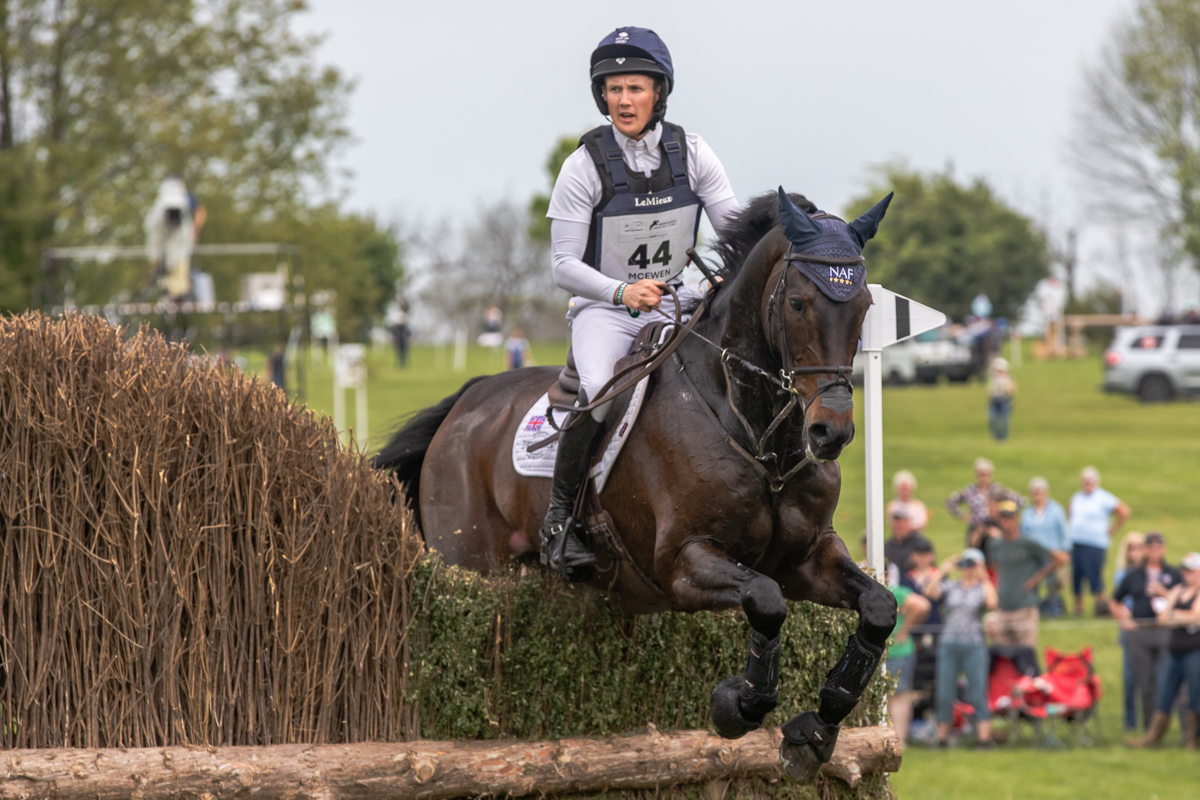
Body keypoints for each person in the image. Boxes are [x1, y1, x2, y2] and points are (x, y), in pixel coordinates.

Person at [540, 27, 739, 580]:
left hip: (678, 299)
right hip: (605, 310)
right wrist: (621, 292)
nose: (623, 100)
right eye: (612, 89)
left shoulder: (693, 152)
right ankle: (560, 521)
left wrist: (721, 276)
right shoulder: (582, 167)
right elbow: (563, 266)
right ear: (600, 95)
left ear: (659, 93)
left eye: (634, 88)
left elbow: (733, 234)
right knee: (603, 393)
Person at [924, 548, 998, 748]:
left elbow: (992, 603)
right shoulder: (952, 586)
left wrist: (984, 576)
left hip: (973, 645)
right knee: (945, 693)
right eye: (966, 565)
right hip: (949, 644)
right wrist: (942, 570)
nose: (969, 569)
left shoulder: (982, 588)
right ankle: (942, 738)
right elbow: (930, 592)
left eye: (972, 565)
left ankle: (984, 738)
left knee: (977, 692)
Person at [1127, 552, 1200, 748]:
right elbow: (1162, 618)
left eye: (1192, 571)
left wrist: (1174, 614)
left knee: (1195, 695)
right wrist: (1180, 616)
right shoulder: (1177, 590)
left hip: (1194, 652)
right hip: (1175, 651)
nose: (1188, 575)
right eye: (1185, 570)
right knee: (1165, 693)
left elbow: (1195, 616)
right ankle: (1153, 738)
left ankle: (1192, 739)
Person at [1111, 530, 1181, 733]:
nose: (1154, 550)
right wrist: (1124, 620)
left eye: (1158, 546)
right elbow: (1114, 600)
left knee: (1165, 679)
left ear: (1164, 548)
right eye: (1150, 546)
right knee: (1145, 682)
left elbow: (1184, 600)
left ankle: (1166, 726)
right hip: (1140, 631)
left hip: (1165, 631)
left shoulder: (1174, 574)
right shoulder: (1133, 575)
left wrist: (1165, 593)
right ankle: (1149, 727)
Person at [985, 500, 1063, 648]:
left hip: (1024, 608)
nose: (1006, 521)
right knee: (1003, 657)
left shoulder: (1027, 543)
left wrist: (1036, 578)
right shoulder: (995, 544)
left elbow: (1060, 558)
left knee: (1025, 655)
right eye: (1003, 518)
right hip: (1003, 608)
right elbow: (994, 569)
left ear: (1016, 519)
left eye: (1009, 517)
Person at [1069, 466, 1131, 617]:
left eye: (1090, 480)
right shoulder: (1077, 497)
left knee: (1094, 574)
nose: (1087, 483)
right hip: (1077, 542)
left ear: (1096, 482)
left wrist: (1112, 530)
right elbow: (1070, 513)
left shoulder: (1103, 497)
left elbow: (1124, 511)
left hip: (1095, 543)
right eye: (1085, 480)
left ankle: (1101, 606)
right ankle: (1078, 607)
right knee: (1077, 575)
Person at [887, 579, 931, 749]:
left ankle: (898, 740)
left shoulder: (894, 590)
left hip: (898, 651)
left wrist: (904, 629)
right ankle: (889, 739)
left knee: (898, 696)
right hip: (888, 652)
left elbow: (922, 605)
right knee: (891, 698)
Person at [1019, 476, 1070, 617]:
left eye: (1040, 491)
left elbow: (1064, 532)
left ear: (1046, 492)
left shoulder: (1056, 510)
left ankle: (1054, 610)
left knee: (1052, 584)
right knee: (1032, 582)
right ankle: (1033, 610)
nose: (1038, 494)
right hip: (1033, 555)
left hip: (1052, 554)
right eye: (1035, 491)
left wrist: (1064, 551)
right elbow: (1023, 534)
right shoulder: (1027, 513)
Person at [945, 458, 1024, 545]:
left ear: (991, 475)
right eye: (981, 475)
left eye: (986, 475)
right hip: (977, 527)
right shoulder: (971, 491)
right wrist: (963, 516)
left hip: (995, 526)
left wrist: (1007, 513)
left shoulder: (997, 490)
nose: (983, 478)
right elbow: (951, 501)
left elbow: (1020, 500)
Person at [1113, 532, 1147, 731]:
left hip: (1148, 628)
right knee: (1129, 678)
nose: (1135, 552)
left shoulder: (1150, 573)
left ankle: (1151, 720)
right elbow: (1118, 601)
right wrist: (1125, 620)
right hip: (1129, 630)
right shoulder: (1122, 575)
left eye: (1138, 547)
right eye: (1131, 547)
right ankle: (1130, 721)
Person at [884, 508, 934, 585]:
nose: (899, 525)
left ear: (909, 523)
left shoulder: (920, 544)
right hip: (892, 587)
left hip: (915, 587)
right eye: (896, 522)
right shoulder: (886, 547)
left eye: (902, 522)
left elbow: (931, 568)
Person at [986, 357, 1016, 441]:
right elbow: (988, 389)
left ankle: (1003, 438)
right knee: (992, 419)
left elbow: (1013, 389)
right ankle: (996, 436)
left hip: (1004, 401)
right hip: (994, 401)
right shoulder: (992, 378)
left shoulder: (1008, 378)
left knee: (1004, 421)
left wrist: (1005, 388)